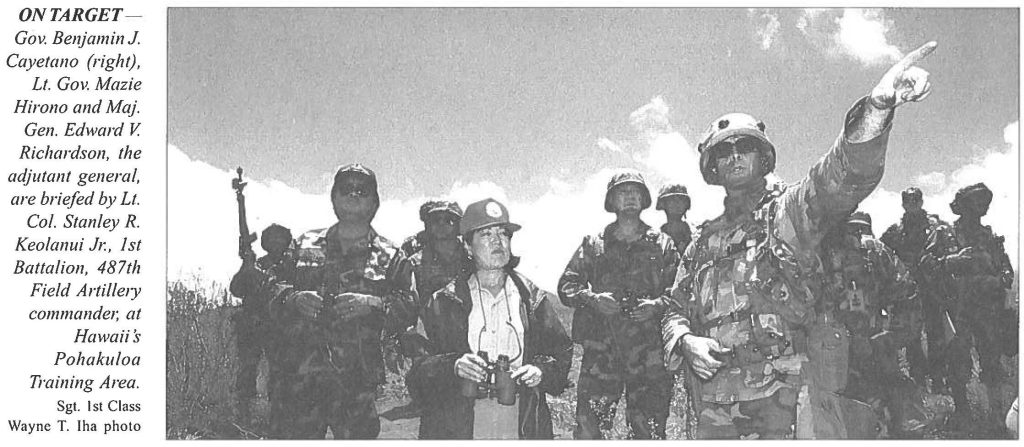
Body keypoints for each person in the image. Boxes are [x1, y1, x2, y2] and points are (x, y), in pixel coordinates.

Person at [661, 42, 935, 439]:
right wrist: (685, 340)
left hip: (790, 401)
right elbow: (673, 308)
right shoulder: (700, 245)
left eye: (746, 147)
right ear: (713, 168)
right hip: (715, 408)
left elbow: (839, 179)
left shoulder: (787, 216)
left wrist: (875, 111)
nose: (735, 156)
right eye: (725, 152)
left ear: (763, 158)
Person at [266, 163, 415, 439]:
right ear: (333, 197)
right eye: (346, 189)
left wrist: (373, 303)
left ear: (375, 201)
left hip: (356, 386)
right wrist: (293, 298)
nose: (354, 195)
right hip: (300, 382)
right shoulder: (304, 243)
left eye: (363, 190)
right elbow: (271, 285)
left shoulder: (391, 255)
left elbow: (410, 305)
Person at [407, 198, 572, 439]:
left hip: (521, 425)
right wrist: (452, 366)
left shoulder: (531, 298)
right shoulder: (443, 302)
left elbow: (561, 352)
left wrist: (540, 371)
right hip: (458, 427)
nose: (497, 241)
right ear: (468, 247)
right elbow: (417, 376)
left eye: (503, 233)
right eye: (485, 234)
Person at [558, 170, 679, 439]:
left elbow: (681, 292)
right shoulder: (594, 244)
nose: (630, 197)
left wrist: (656, 305)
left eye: (636, 192)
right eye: (623, 192)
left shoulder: (662, 244)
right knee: (590, 430)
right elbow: (566, 286)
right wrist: (593, 300)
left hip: (649, 355)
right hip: (602, 355)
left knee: (648, 431)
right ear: (612, 200)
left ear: (644, 200)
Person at [920, 183, 1015, 434]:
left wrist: (1002, 277)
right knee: (958, 362)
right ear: (962, 206)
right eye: (975, 202)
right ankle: (962, 412)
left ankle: (996, 417)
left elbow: (1006, 268)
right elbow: (926, 266)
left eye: (984, 203)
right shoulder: (944, 234)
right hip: (957, 309)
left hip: (988, 311)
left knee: (992, 362)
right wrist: (952, 261)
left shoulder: (989, 237)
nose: (981, 208)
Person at [820, 211, 919, 437]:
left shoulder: (871, 251)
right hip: (826, 360)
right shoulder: (812, 250)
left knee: (881, 423)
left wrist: (891, 336)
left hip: (872, 356)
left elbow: (907, 291)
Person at [393, 200, 469, 413]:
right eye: (436, 220)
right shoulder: (415, 262)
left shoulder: (471, 257)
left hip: (467, 326)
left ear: (459, 225)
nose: (442, 224)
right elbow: (405, 302)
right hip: (430, 329)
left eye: (449, 220)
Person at [228, 223, 296, 424]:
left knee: (280, 372)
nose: (276, 242)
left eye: (280, 238)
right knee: (247, 371)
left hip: (278, 328)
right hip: (251, 327)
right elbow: (236, 289)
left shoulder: (292, 267)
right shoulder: (255, 264)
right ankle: (243, 417)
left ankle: (279, 417)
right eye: (271, 238)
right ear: (265, 242)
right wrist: (245, 266)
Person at [879, 186, 946, 387]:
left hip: (932, 288)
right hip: (907, 292)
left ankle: (938, 378)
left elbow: (948, 253)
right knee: (911, 336)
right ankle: (917, 380)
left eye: (915, 200)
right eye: (908, 201)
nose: (912, 205)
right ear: (903, 204)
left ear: (921, 201)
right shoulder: (895, 232)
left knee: (936, 334)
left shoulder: (936, 228)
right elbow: (883, 254)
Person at [657, 184, 694, 252]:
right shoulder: (657, 236)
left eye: (681, 200)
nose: (677, 204)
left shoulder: (694, 233)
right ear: (663, 204)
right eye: (672, 200)